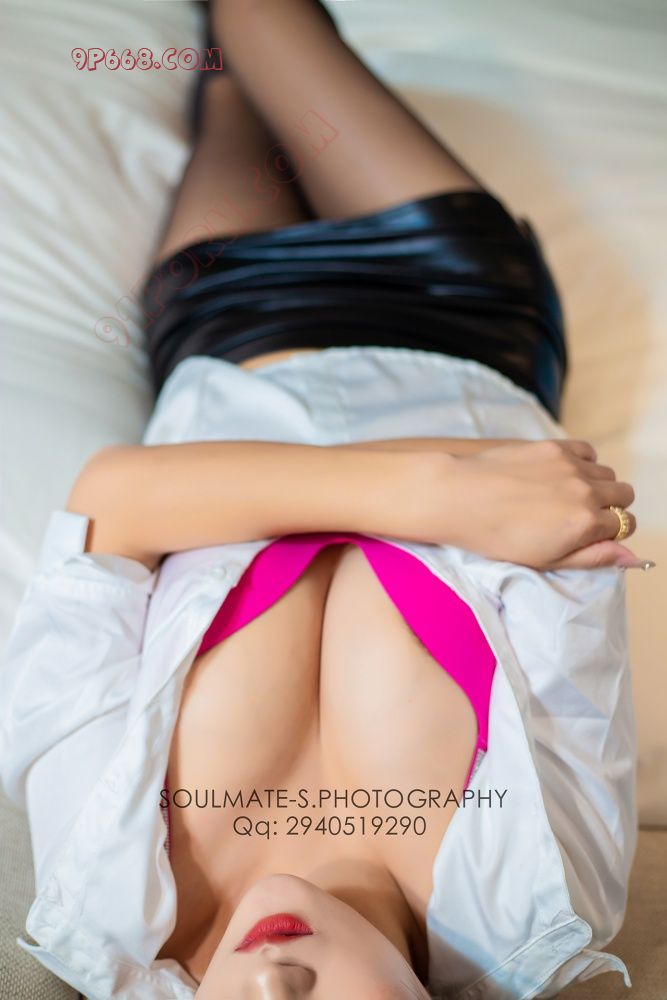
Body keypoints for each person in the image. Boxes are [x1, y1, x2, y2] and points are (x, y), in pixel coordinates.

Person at [0, 1, 650, 998]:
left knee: (227, 82)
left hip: (225, 324)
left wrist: (438, 491)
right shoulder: (538, 897)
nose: (275, 984)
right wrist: (452, 490)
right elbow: (560, 492)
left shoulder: (103, 901)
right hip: (455, 314)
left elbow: (108, 507)